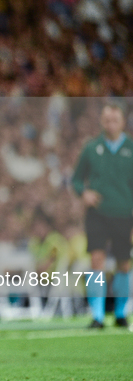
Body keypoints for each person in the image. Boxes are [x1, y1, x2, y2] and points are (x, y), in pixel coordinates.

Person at [72, 101, 132, 329]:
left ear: (123, 122)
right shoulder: (91, 148)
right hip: (97, 213)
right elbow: (77, 179)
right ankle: (97, 315)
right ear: (101, 121)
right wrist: (83, 193)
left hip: (125, 213)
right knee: (96, 260)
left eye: (115, 120)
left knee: (123, 263)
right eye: (107, 120)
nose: (111, 124)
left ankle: (120, 312)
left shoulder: (131, 149)